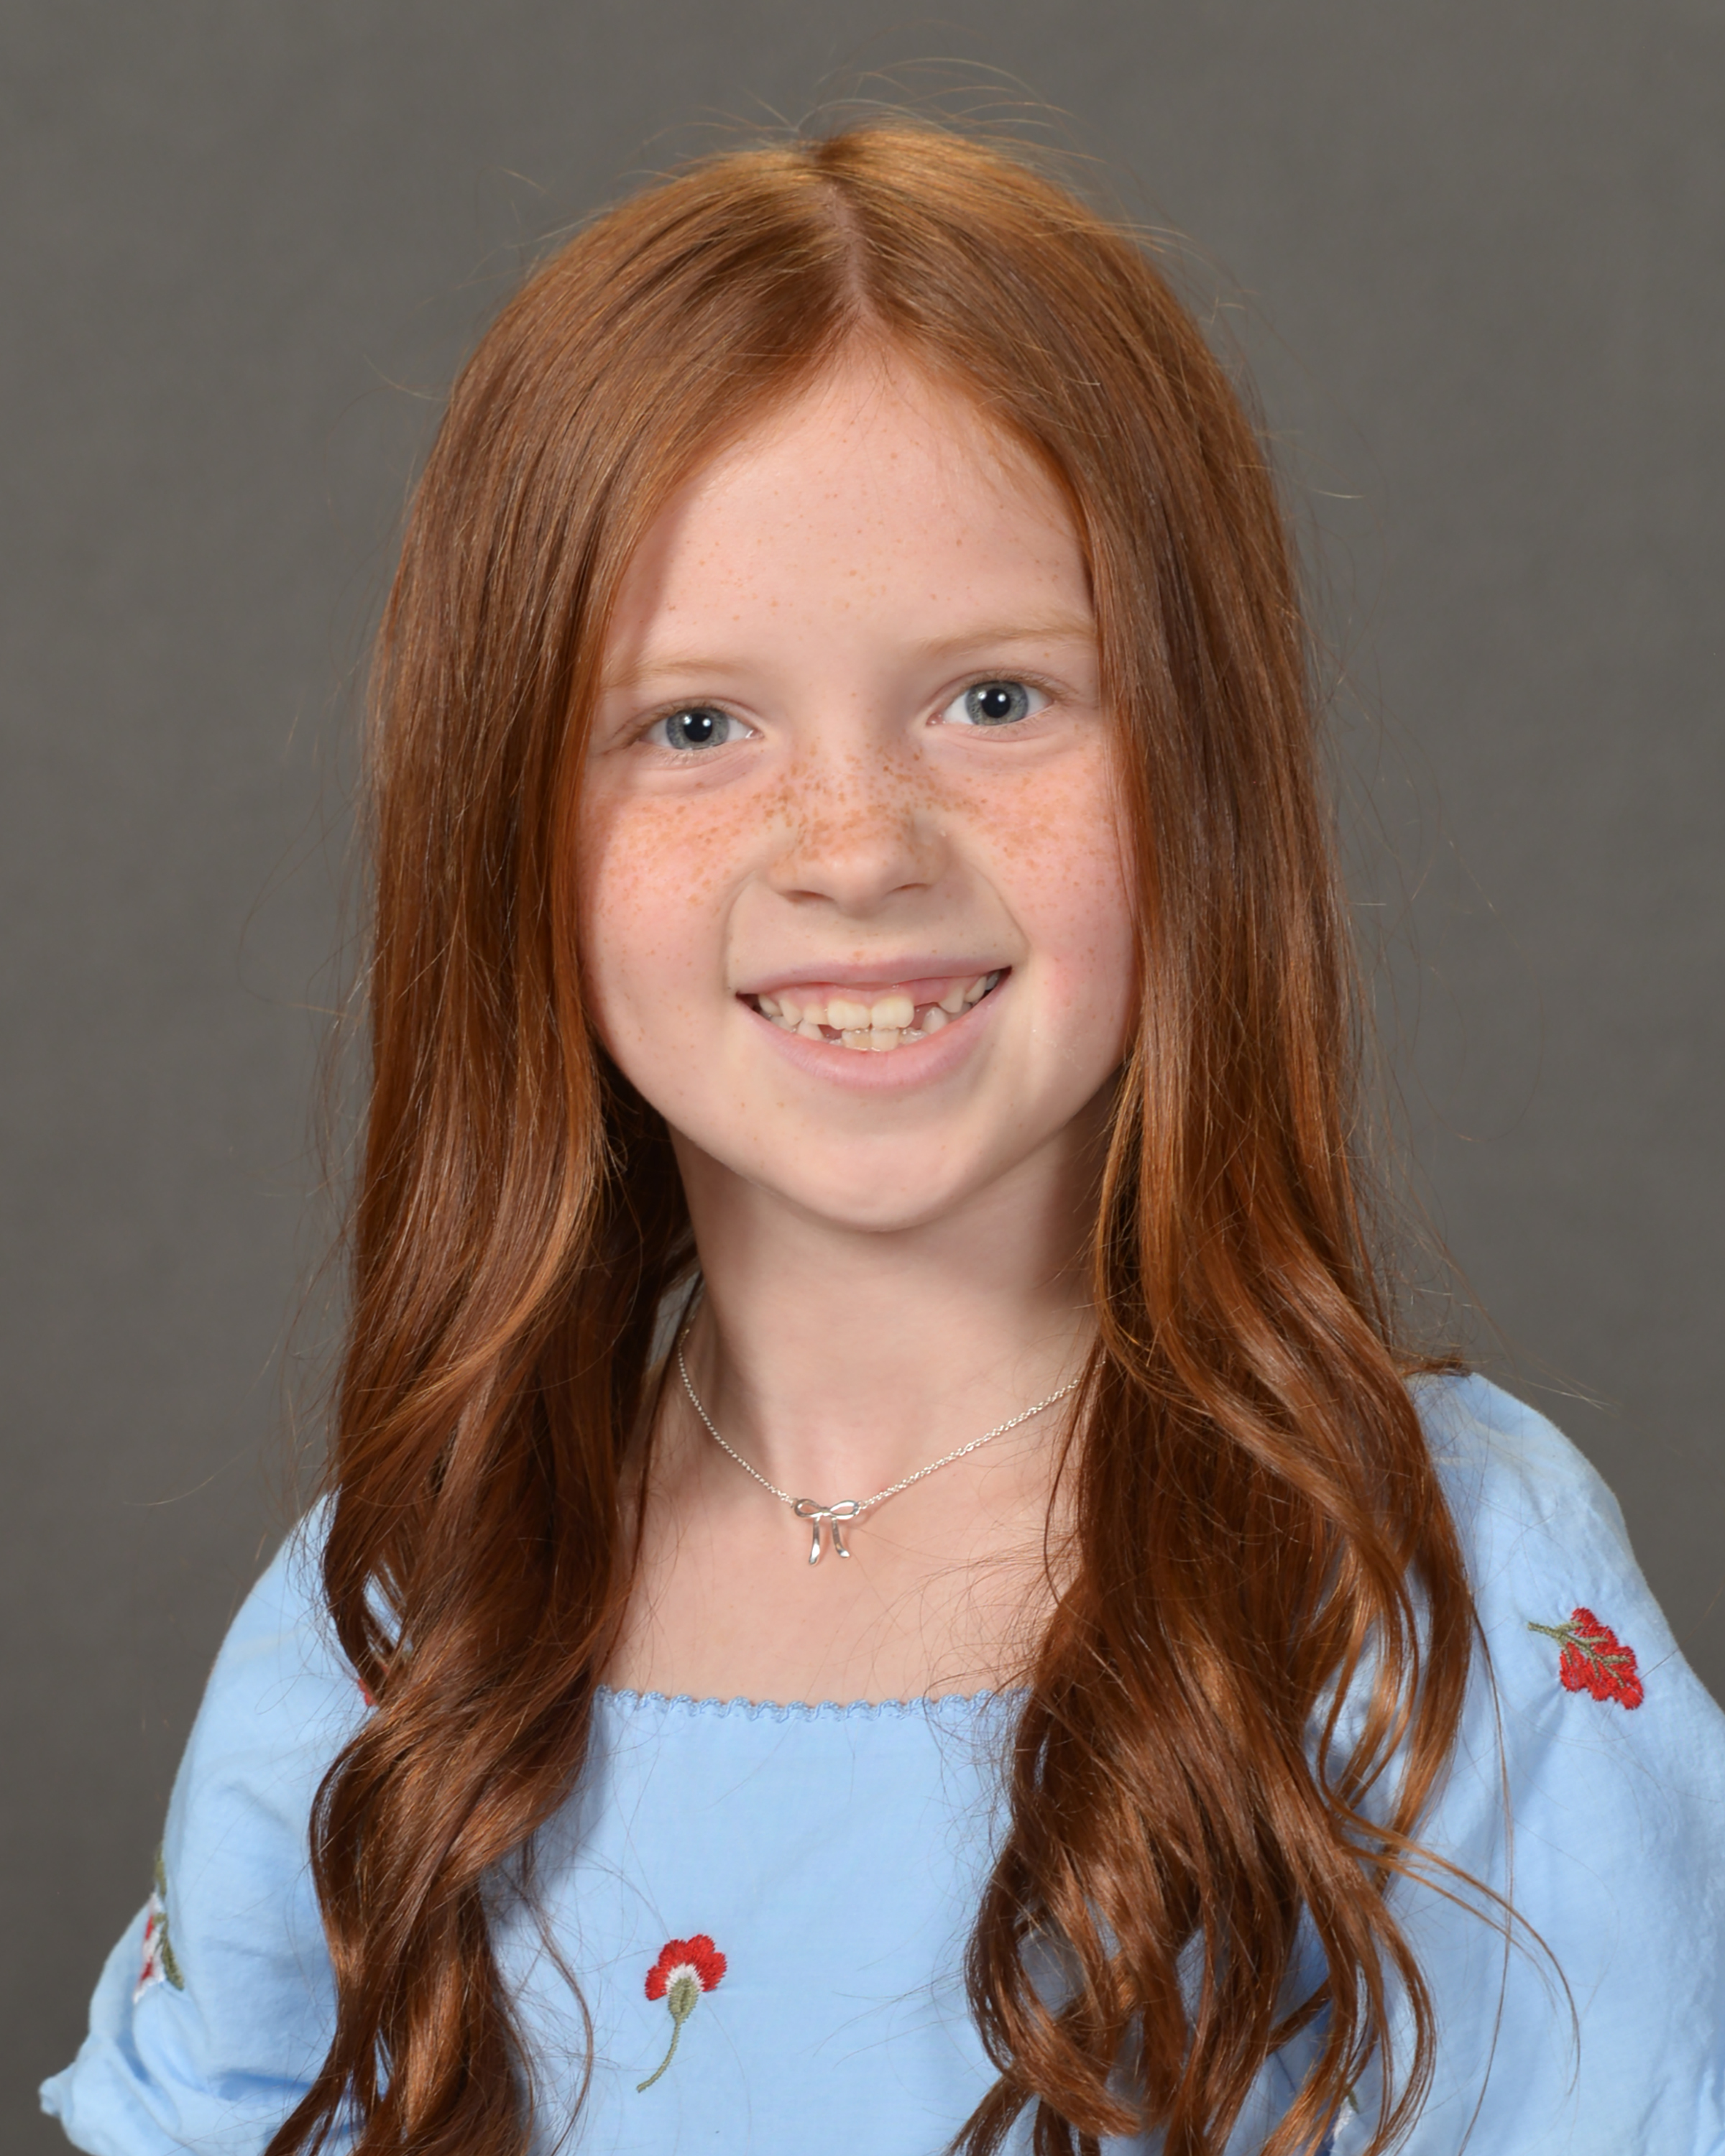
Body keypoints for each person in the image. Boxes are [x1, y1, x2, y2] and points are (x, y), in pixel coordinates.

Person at [41, 123, 1725, 2156]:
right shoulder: (399, 1624)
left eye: (996, 700)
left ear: (1202, 769)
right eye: (694, 726)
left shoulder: (1428, 1587)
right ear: (509, 829)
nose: (854, 849)